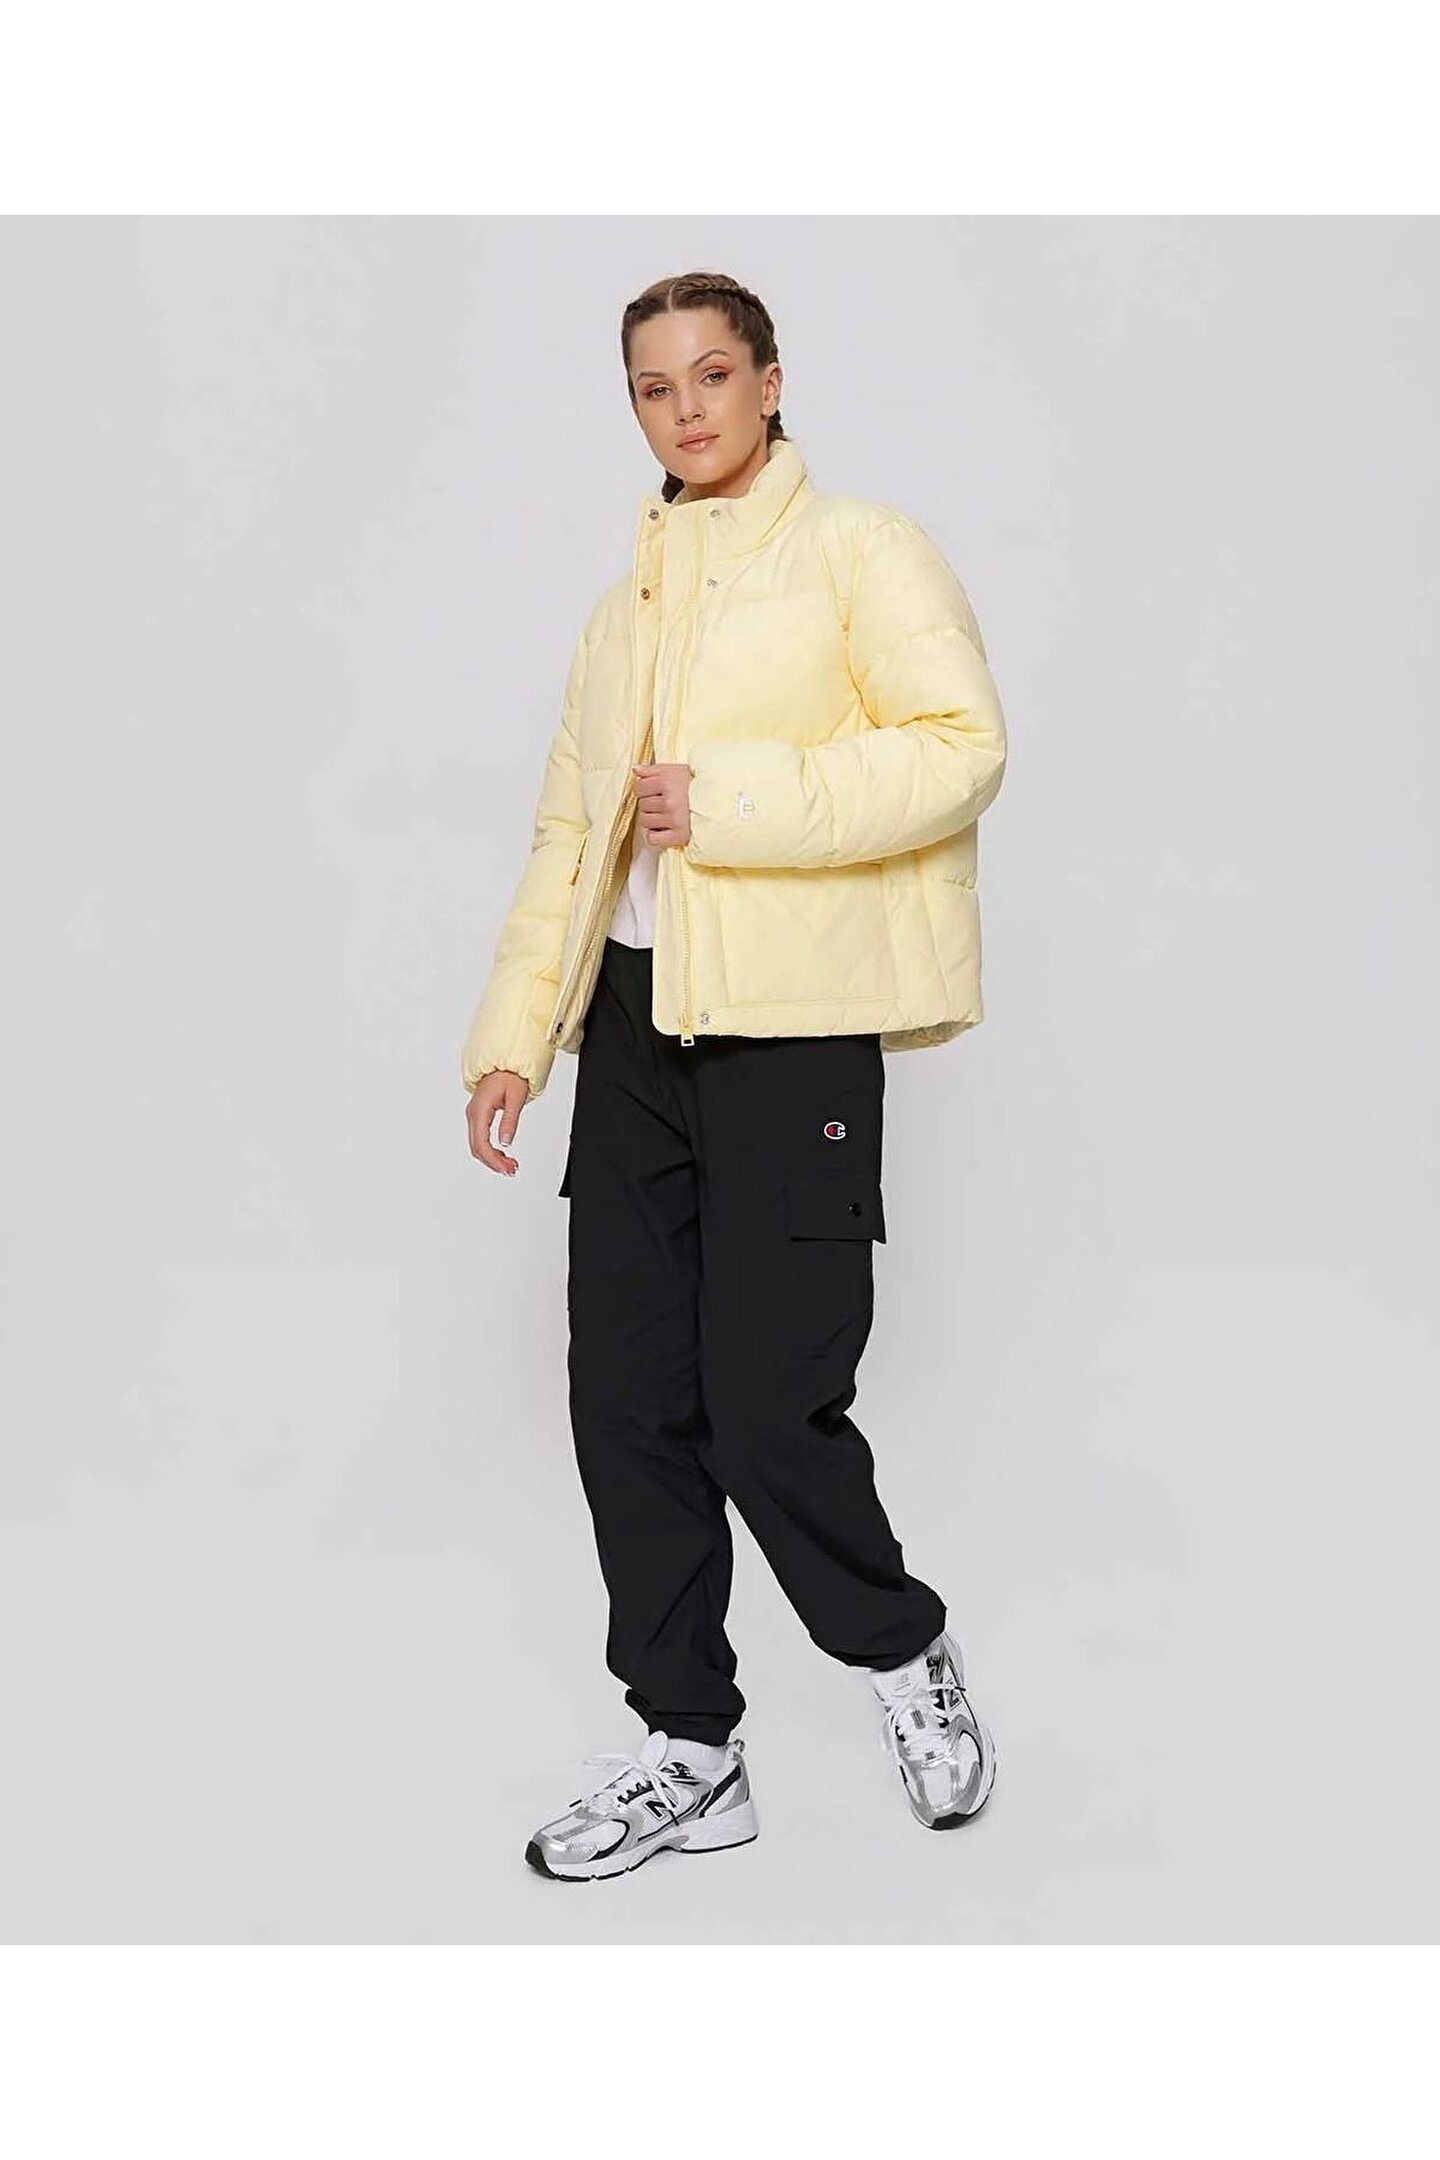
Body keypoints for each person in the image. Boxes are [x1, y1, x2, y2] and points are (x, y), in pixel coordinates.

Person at [462, 270, 1008, 1883]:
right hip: (637, 1032)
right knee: (626, 1404)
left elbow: (961, 745)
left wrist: (735, 803)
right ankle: (690, 1749)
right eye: (654, 386)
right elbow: (572, 834)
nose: (686, 409)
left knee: (772, 1410)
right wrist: (513, 1039)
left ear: (772, 382)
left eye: (713, 375)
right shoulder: (620, 609)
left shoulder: (863, 552)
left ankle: (902, 1649)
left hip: (792, 1032)